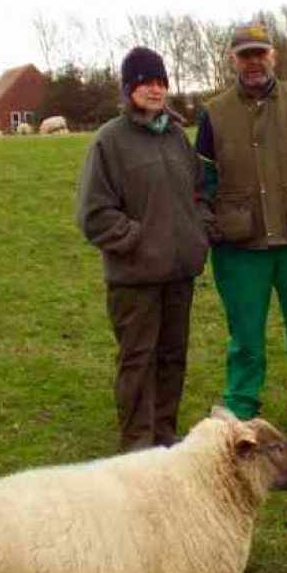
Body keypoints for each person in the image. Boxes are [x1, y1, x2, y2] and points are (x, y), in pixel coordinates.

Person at [195, 22, 287, 430]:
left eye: (260, 53)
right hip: (239, 246)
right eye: (245, 54)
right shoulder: (213, 113)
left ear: (273, 55)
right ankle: (241, 403)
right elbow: (203, 180)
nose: (254, 61)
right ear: (233, 60)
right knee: (245, 331)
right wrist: (211, 225)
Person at [77, 47, 212, 452]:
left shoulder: (176, 136)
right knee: (138, 361)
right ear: (129, 88)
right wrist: (136, 241)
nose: (155, 89)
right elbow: (94, 214)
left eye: (160, 82)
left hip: (179, 272)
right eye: (145, 82)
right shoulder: (110, 141)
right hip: (134, 279)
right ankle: (137, 444)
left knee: (173, 357)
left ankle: (164, 435)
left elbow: (200, 191)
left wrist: (197, 231)